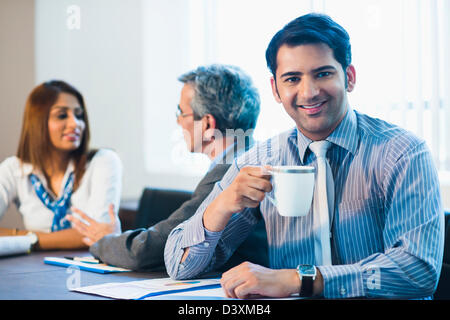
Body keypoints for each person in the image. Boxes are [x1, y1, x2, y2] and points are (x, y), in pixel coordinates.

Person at [164, 13, 444, 299]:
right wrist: (221, 205)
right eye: (292, 79)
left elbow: (418, 271)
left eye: (323, 73)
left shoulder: (403, 153)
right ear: (275, 89)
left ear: (349, 77)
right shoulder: (259, 159)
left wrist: (302, 280)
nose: (308, 92)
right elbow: (178, 264)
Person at [68, 64, 268, 271]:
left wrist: (106, 240)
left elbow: (149, 251)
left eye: (181, 113)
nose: (178, 121)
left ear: (207, 125)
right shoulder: (250, 158)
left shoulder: (231, 172)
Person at [0, 80, 122, 250]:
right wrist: (31, 240)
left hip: (90, 269)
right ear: (37, 122)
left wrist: (24, 239)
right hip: (34, 269)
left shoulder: (104, 161)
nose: (75, 124)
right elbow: (86, 233)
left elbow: (99, 234)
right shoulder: (13, 169)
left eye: (79, 115)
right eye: (62, 115)